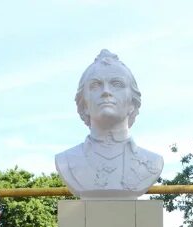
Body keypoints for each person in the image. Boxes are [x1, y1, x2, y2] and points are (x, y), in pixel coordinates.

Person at [55, 49, 163, 199]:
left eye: (116, 84)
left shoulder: (153, 162)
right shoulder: (66, 161)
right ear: (84, 104)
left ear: (132, 102)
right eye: (95, 85)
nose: (106, 91)